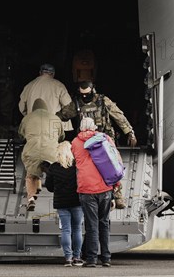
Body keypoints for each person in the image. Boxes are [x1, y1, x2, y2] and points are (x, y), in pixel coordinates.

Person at [71, 117, 114, 267]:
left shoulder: (76, 142)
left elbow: (74, 161)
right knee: (104, 223)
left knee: (92, 224)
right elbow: (116, 160)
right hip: (105, 186)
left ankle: (91, 259)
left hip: (87, 188)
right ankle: (106, 258)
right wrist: (116, 184)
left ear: (80, 127)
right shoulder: (105, 138)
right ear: (94, 127)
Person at [57, 81, 137, 147]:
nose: (84, 97)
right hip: (85, 141)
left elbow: (119, 116)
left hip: (105, 139)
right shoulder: (76, 103)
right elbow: (62, 115)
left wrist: (130, 132)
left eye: (87, 94)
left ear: (93, 90)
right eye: (82, 95)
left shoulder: (103, 101)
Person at [18, 98, 65, 211]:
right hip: (51, 152)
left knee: (31, 175)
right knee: (56, 175)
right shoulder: (55, 118)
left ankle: (31, 199)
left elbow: (21, 134)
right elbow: (61, 136)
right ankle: (60, 199)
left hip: (32, 150)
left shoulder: (27, 118)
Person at [45, 141, 84, 267]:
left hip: (61, 203)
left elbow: (49, 187)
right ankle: (77, 257)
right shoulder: (76, 167)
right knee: (77, 229)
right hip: (76, 202)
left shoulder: (53, 167)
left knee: (66, 230)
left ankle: (68, 258)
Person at [18, 63, 73, 137]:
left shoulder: (29, 86)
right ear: (53, 74)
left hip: (33, 125)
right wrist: (57, 118)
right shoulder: (58, 85)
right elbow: (69, 106)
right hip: (53, 126)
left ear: (40, 73)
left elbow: (22, 108)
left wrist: (30, 116)